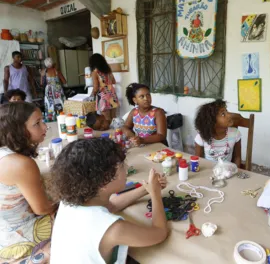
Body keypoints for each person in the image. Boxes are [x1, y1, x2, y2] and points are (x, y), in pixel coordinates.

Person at [49, 138, 168, 264]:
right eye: (122, 166)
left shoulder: (68, 202)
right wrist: (155, 194)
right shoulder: (113, 228)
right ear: (105, 180)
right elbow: (159, 233)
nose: (126, 168)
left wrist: (146, 189)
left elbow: (112, 206)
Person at [0, 102, 57, 263]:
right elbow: (41, 209)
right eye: (37, 123)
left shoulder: (4, 154)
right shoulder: (20, 164)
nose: (45, 127)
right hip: (18, 240)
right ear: (18, 130)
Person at [194, 99, 242, 166]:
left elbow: (237, 157)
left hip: (227, 172)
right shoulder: (201, 137)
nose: (229, 115)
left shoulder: (235, 133)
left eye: (226, 111)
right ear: (212, 122)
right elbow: (198, 160)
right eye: (223, 114)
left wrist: (236, 170)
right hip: (208, 172)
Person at [89, 54, 119, 122]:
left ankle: (109, 131)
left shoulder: (95, 72)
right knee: (113, 117)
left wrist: (91, 95)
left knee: (106, 118)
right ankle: (115, 131)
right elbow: (114, 81)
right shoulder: (108, 70)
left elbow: (96, 88)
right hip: (112, 93)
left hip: (103, 95)